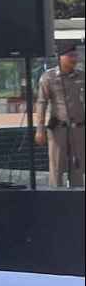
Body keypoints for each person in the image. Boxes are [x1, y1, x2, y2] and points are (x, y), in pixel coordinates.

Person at [36, 44, 83, 188]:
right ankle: (56, 197)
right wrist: (40, 130)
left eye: (76, 56)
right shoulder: (48, 77)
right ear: (60, 57)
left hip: (79, 129)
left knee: (78, 167)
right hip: (58, 129)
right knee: (56, 167)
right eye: (70, 56)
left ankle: (77, 198)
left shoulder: (82, 76)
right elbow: (41, 103)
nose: (74, 59)